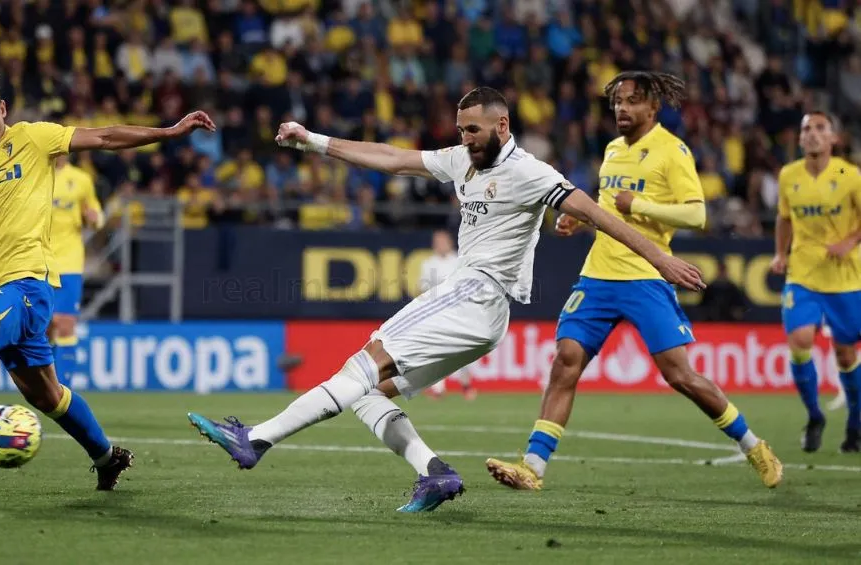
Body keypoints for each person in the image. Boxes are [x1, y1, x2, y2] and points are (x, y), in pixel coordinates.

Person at [187, 86, 705, 513]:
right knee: (370, 392)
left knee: (361, 366)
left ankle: (255, 440)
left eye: (473, 130)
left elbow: (597, 214)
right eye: (461, 130)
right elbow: (391, 159)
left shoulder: (530, 172)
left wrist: (660, 260)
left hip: (477, 293)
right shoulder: (461, 160)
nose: (465, 139)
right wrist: (314, 142)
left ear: (502, 126)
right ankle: (434, 474)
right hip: (478, 310)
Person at [0, 67, 215, 491]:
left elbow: (103, 137)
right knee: (48, 396)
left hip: (30, 285)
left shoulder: (33, 138)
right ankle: (106, 457)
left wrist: (168, 132)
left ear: (2, 109)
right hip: (1, 289)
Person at [485, 72, 783, 491]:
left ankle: (753, 445)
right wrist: (578, 218)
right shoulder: (611, 150)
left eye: (631, 101)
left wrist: (639, 203)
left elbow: (697, 215)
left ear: (652, 108)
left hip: (646, 276)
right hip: (599, 274)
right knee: (565, 360)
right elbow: (609, 210)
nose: (622, 108)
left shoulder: (671, 151)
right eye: (617, 102)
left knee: (680, 376)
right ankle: (533, 467)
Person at [769, 111, 861, 453]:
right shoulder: (788, 174)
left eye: (820, 128)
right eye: (806, 128)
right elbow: (783, 218)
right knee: (800, 338)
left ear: (833, 138)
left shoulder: (849, 175)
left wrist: (850, 242)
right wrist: (780, 253)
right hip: (803, 273)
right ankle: (814, 415)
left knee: (845, 352)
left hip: (844, 277)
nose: (811, 134)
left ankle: (855, 421)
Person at [49, 155, 104, 387]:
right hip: (39, 260)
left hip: (69, 261)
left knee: (66, 323)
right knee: (45, 327)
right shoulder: (35, 175)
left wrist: (94, 218)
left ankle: (63, 390)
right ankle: (45, 385)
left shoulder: (81, 179)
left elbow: (97, 215)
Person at [418, 229, 477, 400]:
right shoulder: (428, 264)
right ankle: (438, 388)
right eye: (437, 241)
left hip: (459, 311)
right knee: (437, 349)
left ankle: (466, 385)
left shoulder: (459, 260)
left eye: (443, 241)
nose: (440, 244)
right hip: (437, 312)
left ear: (450, 242)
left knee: (463, 349)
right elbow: (423, 289)